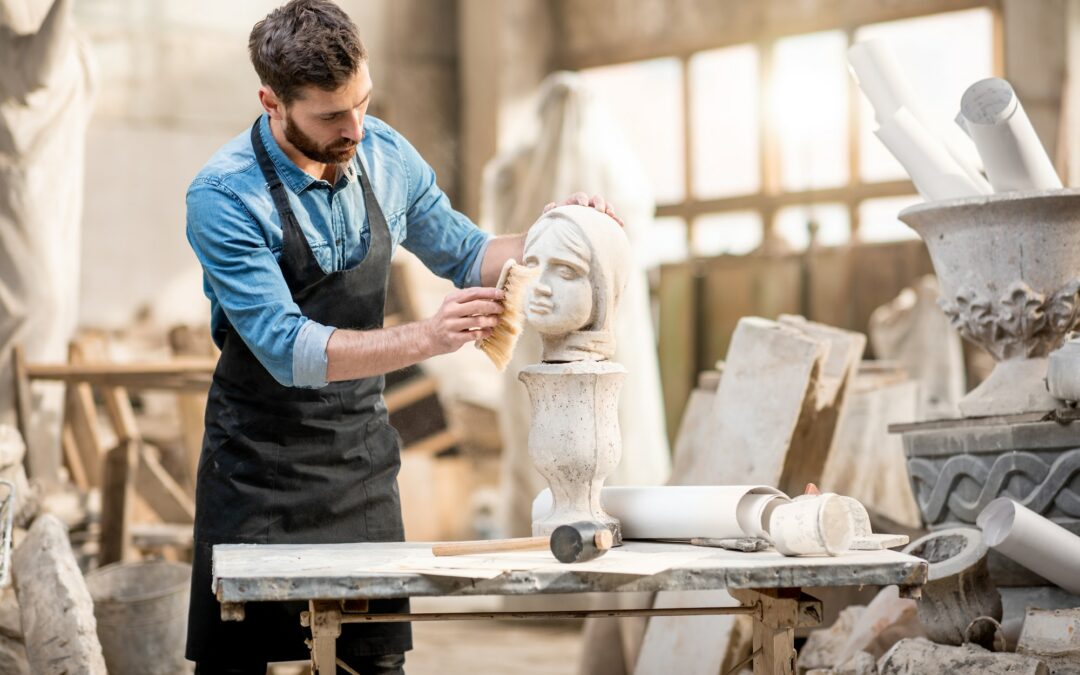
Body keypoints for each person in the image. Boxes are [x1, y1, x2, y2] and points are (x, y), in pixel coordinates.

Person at [183, 1, 619, 672]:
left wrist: (561, 231)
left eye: (362, 101)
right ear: (272, 101)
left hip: (360, 463)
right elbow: (287, 347)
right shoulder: (224, 196)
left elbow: (469, 252)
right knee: (243, 664)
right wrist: (427, 337)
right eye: (330, 116)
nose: (354, 127)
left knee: (375, 663)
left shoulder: (384, 153)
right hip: (257, 471)